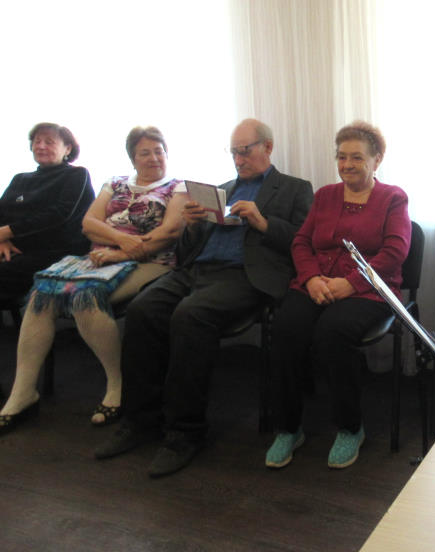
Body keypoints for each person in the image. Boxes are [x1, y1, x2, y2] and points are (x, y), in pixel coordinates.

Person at [94, 118, 313, 478]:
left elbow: (304, 244)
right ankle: (141, 420)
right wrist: (193, 225)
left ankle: (184, 433)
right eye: (234, 153)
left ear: (268, 147)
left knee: (190, 315)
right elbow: (185, 251)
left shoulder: (294, 189)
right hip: (195, 271)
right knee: (142, 309)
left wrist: (263, 222)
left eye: (245, 151)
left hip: (244, 276)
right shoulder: (221, 190)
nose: (238, 160)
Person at [0, 126, 186, 435]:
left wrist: (120, 253)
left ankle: (118, 385)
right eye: (145, 152)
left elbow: (168, 233)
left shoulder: (178, 187)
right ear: (133, 158)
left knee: (84, 296)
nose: (154, 158)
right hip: (100, 257)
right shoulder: (114, 183)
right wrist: (119, 240)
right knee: (40, 295)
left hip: (152, 262)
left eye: (159, 151)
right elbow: (89, 224)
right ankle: (23, 393)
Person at [266, 121, 411, 469]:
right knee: (285, 329)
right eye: (342, 157)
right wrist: (310, 278)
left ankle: (349, 427)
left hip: (369, 290)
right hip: (317, 283)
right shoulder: (325, 195)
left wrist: (351, 283)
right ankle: (288, 428)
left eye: (357, 157)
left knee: (332, 333)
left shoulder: (393, 198)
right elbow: (301, 242)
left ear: (377, 160)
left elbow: (395, 252)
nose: (347, 164)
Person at [0, 123, 95, 304]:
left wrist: (6, 232)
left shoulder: (76, 174)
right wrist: (2, 239)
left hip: (55, 254)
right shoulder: (20, 178)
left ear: (68, 149)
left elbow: (59, 215)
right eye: (37, 142)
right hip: (12, 249)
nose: (41, 146)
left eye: (49, 142)